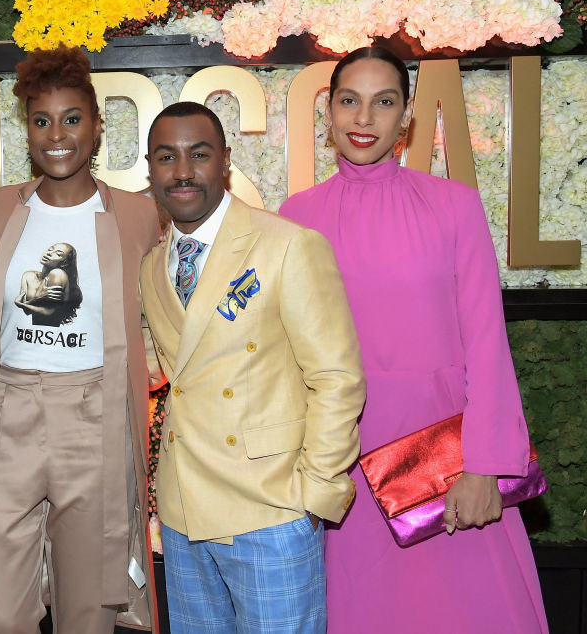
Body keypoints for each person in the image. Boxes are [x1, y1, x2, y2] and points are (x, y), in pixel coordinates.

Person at [279, 46, 548, 632]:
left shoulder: (454, 206)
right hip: (341, 459)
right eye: (349, 101)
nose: (363, 119)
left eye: (383, 103)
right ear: (328, 114)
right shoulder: (295, 218)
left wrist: (487, 467)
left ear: (406, 118)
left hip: (446, 461)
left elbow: (485, 342)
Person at [0, 45, 161, 634]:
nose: (57, 134)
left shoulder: (138, 215)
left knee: (90, 604)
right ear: (28, 130)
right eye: (42, 121)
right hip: (7, 413)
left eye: (72, 119)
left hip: (94, 415)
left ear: (95, 127)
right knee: (0, 608)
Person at [139, 101, 366, 634]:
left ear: (226, 163)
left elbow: (337, 378)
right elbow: (163, 366)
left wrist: (316, 491)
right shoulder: (152, 265)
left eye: (199, 154)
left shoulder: (287, 246)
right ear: (151, 170)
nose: (183, 170)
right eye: (166, 157)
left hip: (272, 508)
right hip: (183, 511)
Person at [14, 242, 83, 325]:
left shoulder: (58, 274)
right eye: (50, 249)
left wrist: (21, 304)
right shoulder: (28, 275)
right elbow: (27, 311)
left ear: (64, 263)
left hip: (53, 335)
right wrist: (36, 298)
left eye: (58, 254)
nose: (49, 253)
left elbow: (51, 313)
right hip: (34, 334)